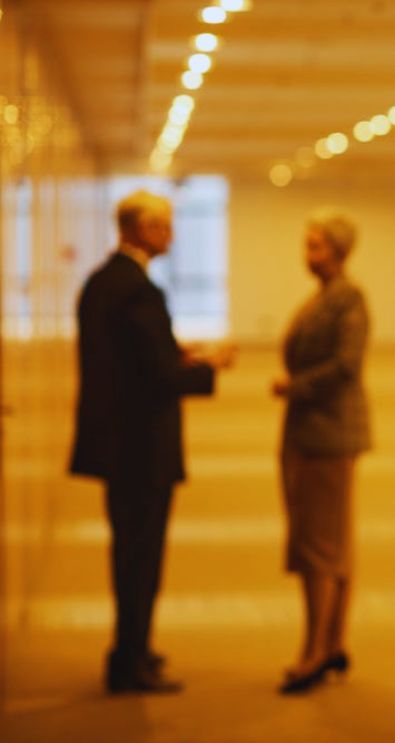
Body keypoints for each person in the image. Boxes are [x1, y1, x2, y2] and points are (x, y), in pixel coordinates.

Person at [70, 189, 235, 694]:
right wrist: (208, 366)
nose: (172, 235)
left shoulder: (100, 283)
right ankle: (130, 659)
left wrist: (174, 353)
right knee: (141, 558)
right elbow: (156, 377)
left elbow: (128, 360)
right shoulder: (141, 290)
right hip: (142, 449)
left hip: (114, 444)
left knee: (128, 553)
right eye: (164, 226)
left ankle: (133, 649)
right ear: (141, 229)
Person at [271, 210, 370, 694]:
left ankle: (314, 652)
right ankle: (330, 645)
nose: (307, 254)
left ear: (338, 250)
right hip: (310, 432)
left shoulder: (348, 299)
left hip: (326, 436)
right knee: (331, 546)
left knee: (319, 549)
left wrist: (295, 386)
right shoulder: (326, 297)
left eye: (315, 246)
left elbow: (346, 366)